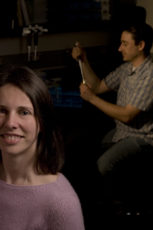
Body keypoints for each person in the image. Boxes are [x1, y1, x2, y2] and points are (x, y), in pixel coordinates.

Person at [0, 66, 85, 230]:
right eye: (2, 110)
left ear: (42, 122)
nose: (10, 123)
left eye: (24, 112)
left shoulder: (62, 204)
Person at [71, 22, 153, 178]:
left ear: (141, 45)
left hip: (143, 137)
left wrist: (92, 99)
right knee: (85, 150)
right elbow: (97, 86)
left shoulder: (150, 75)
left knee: (104, 165)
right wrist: (83, 60)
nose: (119, 48)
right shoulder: (127, 68)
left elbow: (127, 116)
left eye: (124, 44)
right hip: (122, 132)